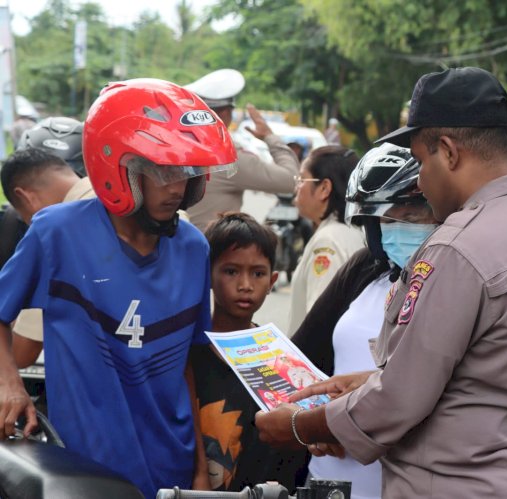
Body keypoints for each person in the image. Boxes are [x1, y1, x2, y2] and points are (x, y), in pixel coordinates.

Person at [256, 67, 507, 498]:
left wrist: (296, 425)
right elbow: (481, 373)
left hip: (448, 484)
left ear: (447, 152)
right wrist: (369, 380)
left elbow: (397, 401)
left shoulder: (457, 246)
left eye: (421, 162)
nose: (421, 182)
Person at [0, 78, 238, 498]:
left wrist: (199, 469)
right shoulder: (56, 234)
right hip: (85, 472)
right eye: (164, 171)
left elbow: (184, 368)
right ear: (118, 168)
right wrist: (10, 384)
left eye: (186, 171)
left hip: (173, 468)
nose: (178, 187)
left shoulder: (194, 249)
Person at [292, 143, 438, 499]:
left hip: (401, 483)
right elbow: (303, 354)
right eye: (388, 220)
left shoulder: (451, 286)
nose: (400, 228)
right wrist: (307, 420)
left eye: (414, 217)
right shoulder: (364, 270)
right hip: (329, 477)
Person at [191, 212, 306, 492]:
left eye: (258, 273)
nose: (245, 285)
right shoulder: (189, 355)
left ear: (272, 281)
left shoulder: (279, 357)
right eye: (231, 271)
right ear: (208, 276)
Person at [0, 146, 93, 369]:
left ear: (26, 198)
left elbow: (21, 354)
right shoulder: (129, 198)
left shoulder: (55, 229)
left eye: (26, 219)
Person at [184, 69, 300, 231]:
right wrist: (269, 136)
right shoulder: (227, 157)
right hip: (213, 252)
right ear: (225, 113)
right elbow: (290, 180)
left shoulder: (182, 147)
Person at [287, 146, 364, 333]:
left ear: (324, 188)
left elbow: (319, 322)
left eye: (302, 179)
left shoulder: (328, 242)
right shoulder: (355, 231)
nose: (297, 187)